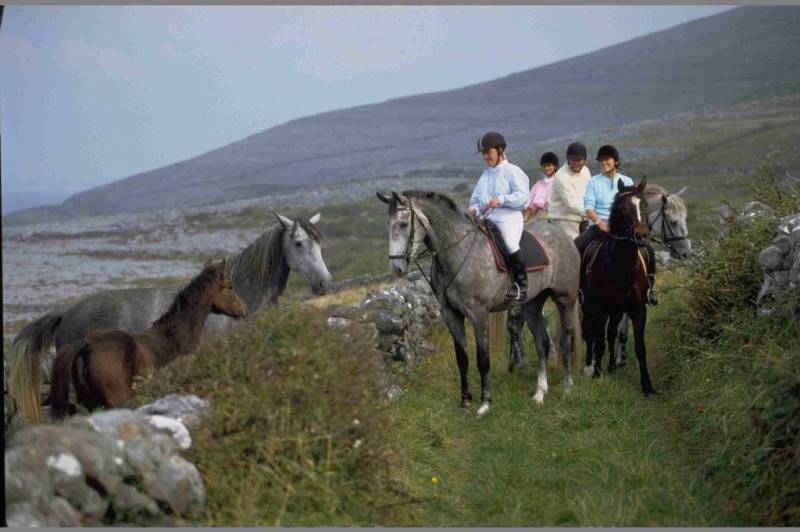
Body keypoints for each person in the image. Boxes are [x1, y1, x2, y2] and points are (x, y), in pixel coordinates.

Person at [574, 144, 659, 305]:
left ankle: (649, 289)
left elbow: (634, 207)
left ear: (615, 161)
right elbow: (589, 207)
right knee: (577, 246)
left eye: (607, 160)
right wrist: (599, 222)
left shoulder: (626, 181)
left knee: (648, 250)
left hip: (623, 229)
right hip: (600, 226)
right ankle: (580, 290)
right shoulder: (594, 182)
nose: (604, 163)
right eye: (601, 160)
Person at [468, 131, 530, 303]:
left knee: (510, 244)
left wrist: (502, 199)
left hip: (508, 217)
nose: (486, 156)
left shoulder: (512, 171)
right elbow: (475, 199)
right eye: (484, 154)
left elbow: (524, 197)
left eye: (489, 152)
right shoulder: (485, 175)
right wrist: (473, 209)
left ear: (500, 150)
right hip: (487, 219)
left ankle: (520, 286)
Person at [548, 142, 592, 240]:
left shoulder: (586, 171)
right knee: (574, 247)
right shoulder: (561, 177)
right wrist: (593, 213)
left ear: (585, 160)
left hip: (583, 218)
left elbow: (590, 194)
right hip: (564, 219)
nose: (576, 163)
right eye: (573, 160)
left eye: (579, 160)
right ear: (568, 159)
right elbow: (572, 204)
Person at [524, 151, 558, 222]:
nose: (546, 168)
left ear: (555, 166)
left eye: (549, 165)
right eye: (544, 166)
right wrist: (524, 219)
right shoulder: (538, 184)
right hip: (537, 217)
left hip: (553, 217)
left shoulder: (559, 182)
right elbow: (530, 206)